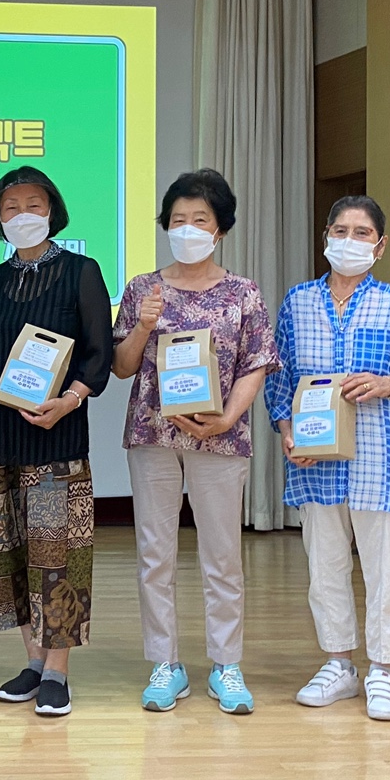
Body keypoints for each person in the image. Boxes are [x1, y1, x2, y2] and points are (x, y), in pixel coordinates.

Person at [264, 195, 390, 722]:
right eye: (340, 230)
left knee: (386, 570)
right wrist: (286, 432)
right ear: (325, 236)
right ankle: (338, 665)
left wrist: (388, 383)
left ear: (379, 246)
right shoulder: (298, 302)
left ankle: (382, 670)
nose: (349, 240)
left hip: (383, 456)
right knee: (325, 568)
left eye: (362, 233)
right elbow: (280, 376)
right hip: (315, 457)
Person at [112, 169, 280, 716]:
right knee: (154, 553)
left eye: (199, 220)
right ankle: (166, 663)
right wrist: (143, 325)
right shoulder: (142, 288)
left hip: (221, 437)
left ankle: (226, 664)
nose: (187, 229)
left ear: (220, 229)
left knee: (222, 554)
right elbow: (121, 366)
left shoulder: (243, 292)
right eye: (178, 219)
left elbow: (257, 363)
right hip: (153, 435)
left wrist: (227, 418)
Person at [0, 166, 114, 718]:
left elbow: (98, 351)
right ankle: (32, 661)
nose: (22, 215)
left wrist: (70, 399)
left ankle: (58, 671)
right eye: (10, 207)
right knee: (5, 554)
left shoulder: (81, 270)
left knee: (58, 557)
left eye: (33, 204)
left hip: (56, 437)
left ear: (52, 211)